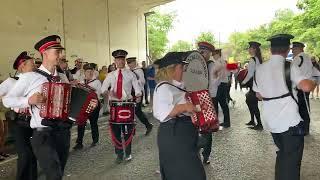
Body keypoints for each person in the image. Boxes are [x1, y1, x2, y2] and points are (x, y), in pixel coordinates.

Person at [3, 35, 97, 180]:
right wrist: (28, 100)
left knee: (58, 173)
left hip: (63, 132)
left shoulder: (62, 77)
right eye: (57, 52)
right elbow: (8, 100)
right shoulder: (30, 77)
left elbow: (70, 103)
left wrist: (87, 106)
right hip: (43, 134)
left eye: (61, 52)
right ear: (45, 53)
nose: (61, 55)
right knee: (54, 174)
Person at [253, 34, 316, 180]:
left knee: (282, 154)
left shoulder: (260, 69)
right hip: (289, 123)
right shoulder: (290, 66)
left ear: (270, 49)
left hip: (271, 123)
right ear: (288, 49)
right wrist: (314, 82)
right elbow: (306, 86)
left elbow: (258, 95)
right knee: (292, 162)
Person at [153, 52, 206, 180]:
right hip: (174, 134)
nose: (184, 71)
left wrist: (198, 108)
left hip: (184, 134)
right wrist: (184, 107)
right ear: (173, 69)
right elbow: (162, 112)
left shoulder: (178, 86)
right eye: (182, 68)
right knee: (189, 174)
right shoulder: (164, 88)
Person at [0, 51, 38, 179]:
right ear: (22, 66)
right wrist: (6, 99)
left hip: (33, 121)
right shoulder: (11, 81)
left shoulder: (36, 80)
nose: (35, 66)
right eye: (32, 64)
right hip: (19, 122)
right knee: (25, 154)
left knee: (33, 153)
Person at [101, 49, 142, 163]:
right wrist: (108, 92)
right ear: (114, 61)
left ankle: (128, 153)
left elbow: (137, 89)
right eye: (118, 59)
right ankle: (119, 155)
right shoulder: (110, 75)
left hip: (128, 105)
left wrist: (138, 95)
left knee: (128, 131)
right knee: (116, 131)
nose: (120, 61)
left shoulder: (131, 74)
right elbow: (103, 89)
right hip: (114, 106)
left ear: (124, 60)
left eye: (122, 59)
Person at [197, 41, 220, 164]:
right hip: (195, 100)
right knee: (195, 126)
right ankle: (195, 151)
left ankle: (206, 154)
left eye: (204, 52)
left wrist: (208, 99)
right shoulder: (195, 65)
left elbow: (214, 84)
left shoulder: (212, 65)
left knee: (207, 129)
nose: (201, 53)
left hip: (208, 100)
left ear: (209, 53)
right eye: (200, 51)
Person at [73, 63, 102, 150]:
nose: (89, 73)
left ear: (93, 72)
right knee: (81, 124)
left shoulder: (97, 82)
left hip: (94, 105)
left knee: (93, 123)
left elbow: (98, 94)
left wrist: (86, 88)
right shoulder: (81, 82)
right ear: (84, 72)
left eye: (91, 71)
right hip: (83, 106)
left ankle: (95, 140)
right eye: (87, 71)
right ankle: (79, 143)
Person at [126, 57, 153, 135]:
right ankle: (131, 129)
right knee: (130, 111)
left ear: (135, 62)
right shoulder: (128, 71)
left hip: (138, 93)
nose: (130, 65)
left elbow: (143, 82)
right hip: (130, 94)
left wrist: (135, 79)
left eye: (131, 63)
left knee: (137, 111)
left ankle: (148, 125)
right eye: (128, 63)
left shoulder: (139, 70)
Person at [292, 42, 313, 135]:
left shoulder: (297, 58)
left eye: (293, 48)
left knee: (301, 108)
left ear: (298, 48)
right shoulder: (307, 57)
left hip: (300, 87)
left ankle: (303, 129)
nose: (292, 50)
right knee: (305, 107)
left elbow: (292, 74)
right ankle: (306, 128)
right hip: (306, 85)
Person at [242, 41, 263, 130]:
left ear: (254, 49)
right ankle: (252, 120)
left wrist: (243, 82)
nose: (249, 50)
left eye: (250, 48)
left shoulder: (253, 59)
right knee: (249, 100)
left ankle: (259, 124)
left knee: (253, 103)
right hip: (256, 84)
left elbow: (250, 74)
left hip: (254, 85)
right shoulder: (257, 59)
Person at [213, 49, 231, 128]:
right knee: (224, 104)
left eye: (214, 55)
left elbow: (216, 76)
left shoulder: (217, 63)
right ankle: (227, 122)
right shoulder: (225, 62)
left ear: (217, 54)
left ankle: (215, 123)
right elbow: (229, 72)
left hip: (218, 85)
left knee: (215, 103)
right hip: (224, 84)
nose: (213, 56)